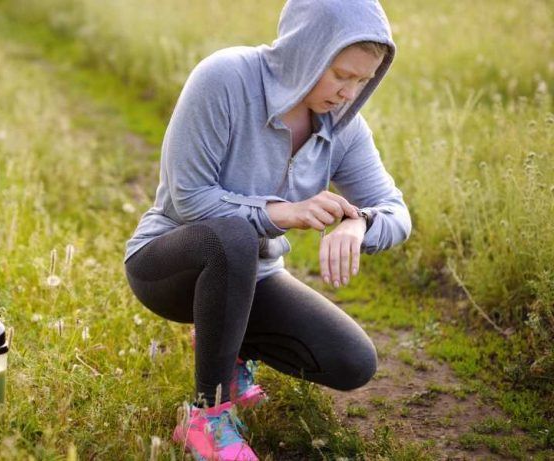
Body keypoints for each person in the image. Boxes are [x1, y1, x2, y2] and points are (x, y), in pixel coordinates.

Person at [123, 0, 411, 459]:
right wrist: (285, 213)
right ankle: (205, 419)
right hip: (169, 262)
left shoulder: (344, 128)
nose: (348, 93)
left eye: (362, 80)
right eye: (340, 74)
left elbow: (397, 211)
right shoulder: (225, 78)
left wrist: (360, 224)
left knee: (354, 361)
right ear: (307, 50)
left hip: (253, 277)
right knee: (233, 236)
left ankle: (228, 346)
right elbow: (190, 199)